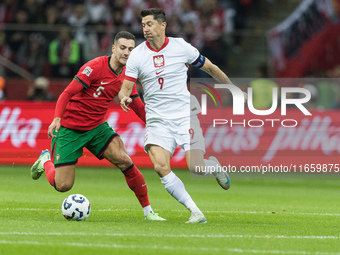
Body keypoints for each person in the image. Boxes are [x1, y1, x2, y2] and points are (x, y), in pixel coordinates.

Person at [31, 31, 165, 221]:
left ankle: (148, 212)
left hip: (97, 128)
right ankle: (45, 160)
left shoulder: (128, 76)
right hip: (70, 129)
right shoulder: (94, 67)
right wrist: (57, 118)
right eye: (122, 48)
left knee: (125, 160)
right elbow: (66, 93)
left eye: (131, 49)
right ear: (113, 48)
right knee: (63, 186)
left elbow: (138, 107)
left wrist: (156, 127)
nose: (126, 53)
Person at [119, 8, 234, 224]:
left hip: (184, 115)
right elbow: (125, 87)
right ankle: (195, 212)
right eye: (143, 24)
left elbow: (210, 67)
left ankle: (214, 167)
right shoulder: (138, 55)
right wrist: (124, 97)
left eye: (150, 24)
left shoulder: (180, 47)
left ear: (163, 25)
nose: (146, 28)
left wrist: (232, 88)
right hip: (157, 120)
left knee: (196, 167)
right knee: (160, 166)